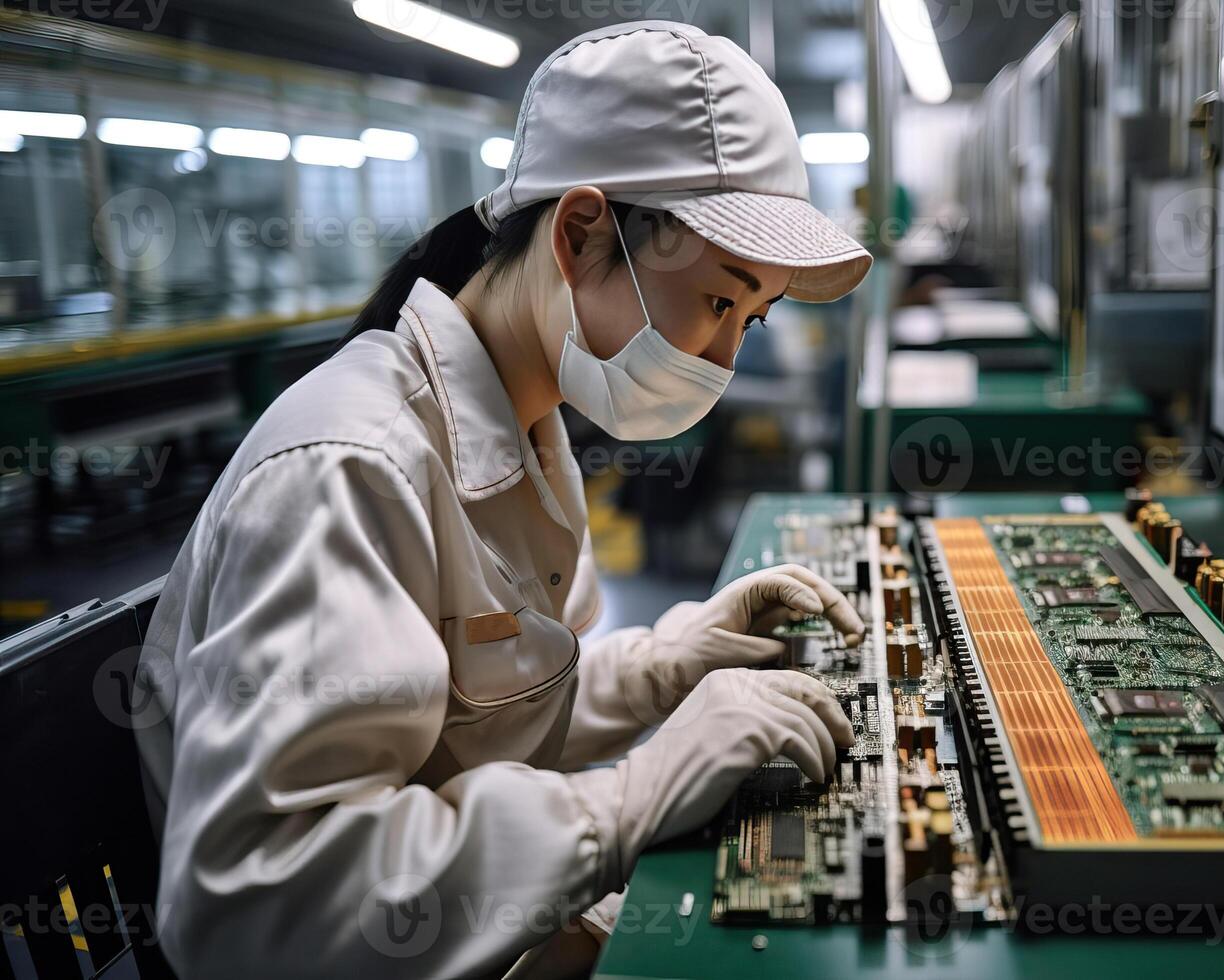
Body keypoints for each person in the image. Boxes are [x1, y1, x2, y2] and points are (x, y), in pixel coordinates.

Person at [133, 20, 873, 979]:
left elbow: (472, 728)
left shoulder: (521, 429)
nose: (727, 360)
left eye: (754, 317)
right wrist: (633, 796)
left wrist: (666, 666)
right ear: (578, 233)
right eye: (720, 303)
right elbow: (262, 906)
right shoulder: (351, 468)